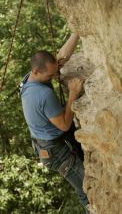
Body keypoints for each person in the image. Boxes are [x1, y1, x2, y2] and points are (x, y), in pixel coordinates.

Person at [20, 33, 90, 213]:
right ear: (37, 71)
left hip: (43, 143)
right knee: (87, 189)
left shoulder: (28, 80)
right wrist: (73, 93)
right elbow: (65, 125)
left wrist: (76, 32)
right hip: (56, 152)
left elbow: (61, 58)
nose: (55, 75)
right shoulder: (43, 95)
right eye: (51, 75)